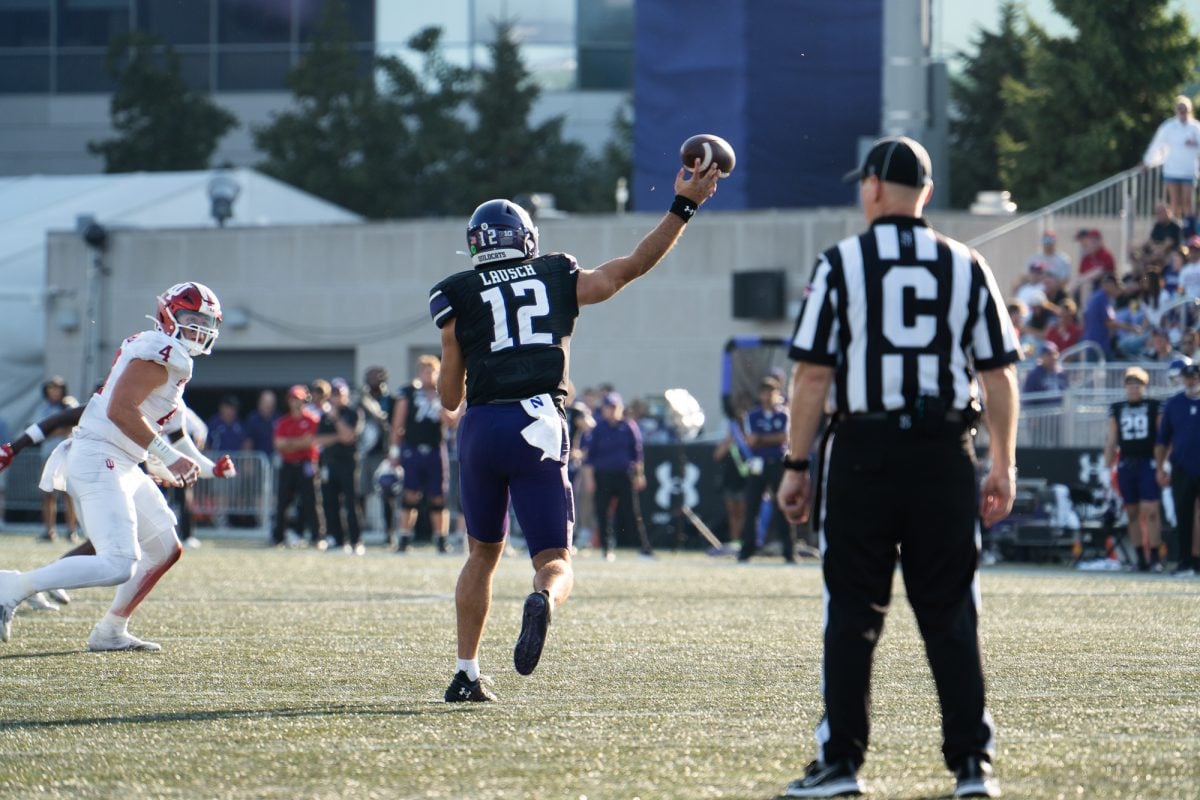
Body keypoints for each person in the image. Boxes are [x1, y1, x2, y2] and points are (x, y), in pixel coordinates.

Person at [777, 136, 1018, 798]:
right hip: (945, 453)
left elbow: (811, 375)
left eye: (865, 184)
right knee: (950, 611)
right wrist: (1003, 462)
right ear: (929, 194)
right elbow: (997, 374)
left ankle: (842, 764)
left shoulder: (842, 263)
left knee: (852, 610)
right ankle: (973, 766)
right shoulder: (967, 264)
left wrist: (796, 463)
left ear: (876, 187)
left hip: (864, 452)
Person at [430, 161, 719, 702]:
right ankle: (543, 597)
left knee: (482, 554)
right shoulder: (555, 272)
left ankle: (466, 671)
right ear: (528, 241)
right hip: (538, 421)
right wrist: (685, 205)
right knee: (556, 561)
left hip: (481, 426)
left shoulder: (454, 294)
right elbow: (628, 268)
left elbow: (449, 398)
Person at [0, 282, 233, 650]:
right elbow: (120, 410)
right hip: (100, 455)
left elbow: (176, 438)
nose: (200, 328)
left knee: (164, 549)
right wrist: (170, 459)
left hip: (121, 460)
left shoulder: (175, 363)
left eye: (205, 321)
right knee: (118, 563)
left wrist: (208, 468)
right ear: (168, 316)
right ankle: (12, 586)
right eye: (191, 318)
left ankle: (110, 630)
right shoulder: (162, 352)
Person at [390, 356, 455, 554]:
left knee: (438, 496)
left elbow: (451, 421)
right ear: (419, 373)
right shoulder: (408, 392)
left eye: (432, 371)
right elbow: (398, 423)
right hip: (412, 448)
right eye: (425, 371)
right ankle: (403, 538)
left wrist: (438, 405)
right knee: (410, 494)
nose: (429, 375)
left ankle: (441, 540)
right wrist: (394, 451)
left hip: (435, 448)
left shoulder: (442, 393)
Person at [581, 392, 654, 561]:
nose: (612, 410)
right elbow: (589, 458)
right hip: (603, 476)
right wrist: (590, 479)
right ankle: (607, 550)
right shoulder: (598, 428)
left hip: (624, 475)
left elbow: (637, 454)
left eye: (615, 407)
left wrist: (639, 475)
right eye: (608, 407)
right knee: (603, 512)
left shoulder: (629, 426)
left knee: (632, 512)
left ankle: (643, 548)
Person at [1107, 367, 1163, 572]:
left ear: (1144, 386)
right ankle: (1140, 558)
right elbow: (1112, 439)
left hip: (1147, 461)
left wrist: (1162, 462)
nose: (1133, 388)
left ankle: (1155, 557)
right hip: (1126, 463)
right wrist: (1107, 467)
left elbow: (1161, 436)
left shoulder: (1153, 406)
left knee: (1151, 510)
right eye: (1129, 384)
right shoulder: (1117, 408)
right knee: (1131, 512)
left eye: (1137, 384)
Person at [737, 376, 795, 563]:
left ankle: (789, 551)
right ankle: (747, 550)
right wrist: (771, 438)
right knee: (752, 506)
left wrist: (763, 439)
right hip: (758, 464)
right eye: (765, 392)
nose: (768, 396)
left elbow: (785, 438)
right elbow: (751, 440)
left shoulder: (784, 414)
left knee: (783, 505)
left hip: (778, 463)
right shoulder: (752, 415)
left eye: (772, 391)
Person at [1155, 362, 1200, 576]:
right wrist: (1160, 467)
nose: (1191, 381)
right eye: (1188, 377)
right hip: (1182, 467)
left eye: (1195, 377)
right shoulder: (1174, 404)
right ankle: (1185, 562)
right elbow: (1162, 439)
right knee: (1183, 515)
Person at [272, 385, 324, 547]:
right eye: (293, 399)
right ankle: (278, 537)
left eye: (299, 399)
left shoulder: (311, 420)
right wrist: (299, 443)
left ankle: (317, 537)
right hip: (288, 464)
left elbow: (310, 442)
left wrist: (291, 444)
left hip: (306, 465)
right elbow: (279, 444)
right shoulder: (283, 422)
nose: (295, 403)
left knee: (311, 502)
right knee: (282, 502)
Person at [316, 378, 363, 554]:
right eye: (334, 394)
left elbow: (349, 436)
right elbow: (319, 439)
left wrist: (336, 420)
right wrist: (338, 437)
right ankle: (335, 537)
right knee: (329, 503)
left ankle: (355, 540)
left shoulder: (352, 413)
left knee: (351, 503)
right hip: (329, 463)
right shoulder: (323, 416)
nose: (337, 398)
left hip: (348, 463)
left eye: (340, 394)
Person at [33, 376, 80, 543]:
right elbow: (38, 432)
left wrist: (53, 430)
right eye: (51, 388)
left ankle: (72, 530)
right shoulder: (43, 408)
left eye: (58, 388)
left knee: (69, 494)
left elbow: (72, 428)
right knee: (47, 494)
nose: (55, 391)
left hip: (68, 454)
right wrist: (58, 429)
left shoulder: (69, 404)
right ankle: (49, 530)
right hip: (48, 454)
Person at [1142, 95, 1200, 227]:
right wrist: (1148, 162)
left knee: (1187, 201)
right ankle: (1176, 228)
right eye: (1180, 110)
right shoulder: (1169, 127)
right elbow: (1157, 145)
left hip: (1188, 170)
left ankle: (1189, 228)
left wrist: (1195, 143)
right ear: (1176, 111)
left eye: (1185, 110)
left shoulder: (1195, 127)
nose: (1182, 113)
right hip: (1172, 169)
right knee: (1174, 202)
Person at [357, 366, 395, 544]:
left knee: (387, 493)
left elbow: (394, 425)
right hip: (365, 453)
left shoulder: (391, 401)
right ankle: (358, 532)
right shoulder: (361, 401)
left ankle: (389, 532)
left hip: (383, 453)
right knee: (362, 493)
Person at [1021, 341, 1069, 406]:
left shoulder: (1061, 374)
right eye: (1049, 354)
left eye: (1055, 354)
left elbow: (1067, 393)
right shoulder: (1034, 375)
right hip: (1040, 413)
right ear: (1041, 357)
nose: (1053, 357)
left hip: (1059, 413)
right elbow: (1028, 399)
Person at [243, 389, 278, 457]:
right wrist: (247, 460)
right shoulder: (253, 419)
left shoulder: (277, 418)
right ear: (260, 403)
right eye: (266, 402)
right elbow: (248, 442)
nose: (268, 405)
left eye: (271, 402)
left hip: (274, 460)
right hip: (257, 461)